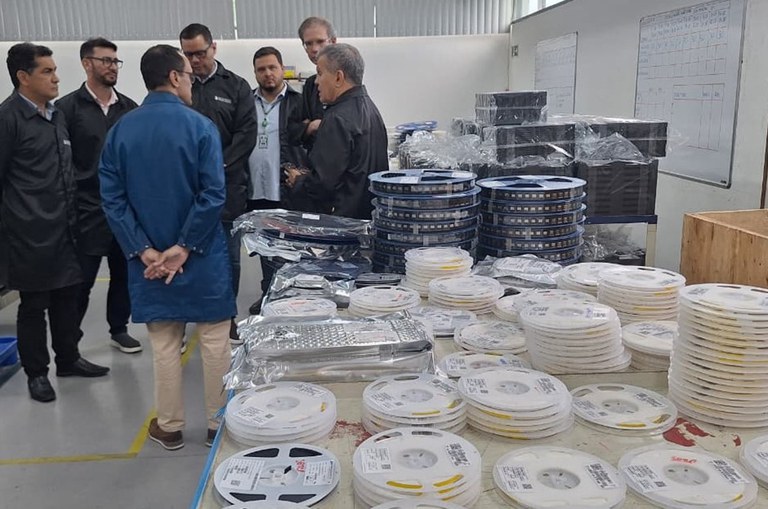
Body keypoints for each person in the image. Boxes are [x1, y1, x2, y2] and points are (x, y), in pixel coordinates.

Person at [99, 44, 235, 450]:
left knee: (163, 345)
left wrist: (145, 251)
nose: (192, 82)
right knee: (214, 342)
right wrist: (185, 246)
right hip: (202, 256)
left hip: (150, 262)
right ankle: (218, 424)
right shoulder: (200, 127)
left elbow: (113, 198)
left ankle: (170, 426)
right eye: (189, 76)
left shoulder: (120, 130)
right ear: (175, 77)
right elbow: (213, 195)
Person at [0, 43, 110, 403]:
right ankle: (37, 373)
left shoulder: (56, 115)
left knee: (68, 299)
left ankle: (68, 358)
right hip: (28, 233)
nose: (55, 77)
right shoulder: (8, 119)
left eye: (54, 70)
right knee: (33, 307)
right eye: (46, 71)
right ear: (22, 77)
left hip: (67, 228)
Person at [57, 37, 141, 354]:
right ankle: (69, 343)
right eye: (105, 60)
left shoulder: (129, 109)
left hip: (123, 209)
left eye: (115, 61)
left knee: (123, 275)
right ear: (86, 63)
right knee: (80, 282)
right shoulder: (67, 109)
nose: (111, 67)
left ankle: (118, 328)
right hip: (85, 209)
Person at [179, 23, 257, 340]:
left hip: (228, 188)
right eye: (188, 55)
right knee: (186, 254)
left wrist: (216, 166)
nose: (195, 60)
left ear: (214, 48)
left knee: (228, 258)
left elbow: (246, 134)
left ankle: (226, 315)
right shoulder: (179, 86)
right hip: (186, 191)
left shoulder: (235, 87)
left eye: (200, 53)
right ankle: (185, 318)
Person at [285, 43, 388, 220]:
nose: (316, 81)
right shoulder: (371, 110)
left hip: (343, 223)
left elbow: (323, 185)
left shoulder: (336, 118)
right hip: (369, 218)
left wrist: (298, 180)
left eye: (320, 73)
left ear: (338, 78)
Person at [246, 46, 307, 309]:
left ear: (282, 69)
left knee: (292, 245)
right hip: (255, 188)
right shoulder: (246, 102)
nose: (268, 73)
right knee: (265, 247)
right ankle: (268, 293)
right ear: (255, 73)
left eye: (273, 67)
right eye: (261, 69)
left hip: (286, 186)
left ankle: (293, 295)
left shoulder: (299, 101)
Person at [297, 16, 336, 151]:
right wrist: (311, 126)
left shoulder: (347, 80)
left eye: (320, 42)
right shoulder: (310, 85)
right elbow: (299, 129)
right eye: (308, 43)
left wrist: (321, 124)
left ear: (333, 42)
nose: (314, 49)